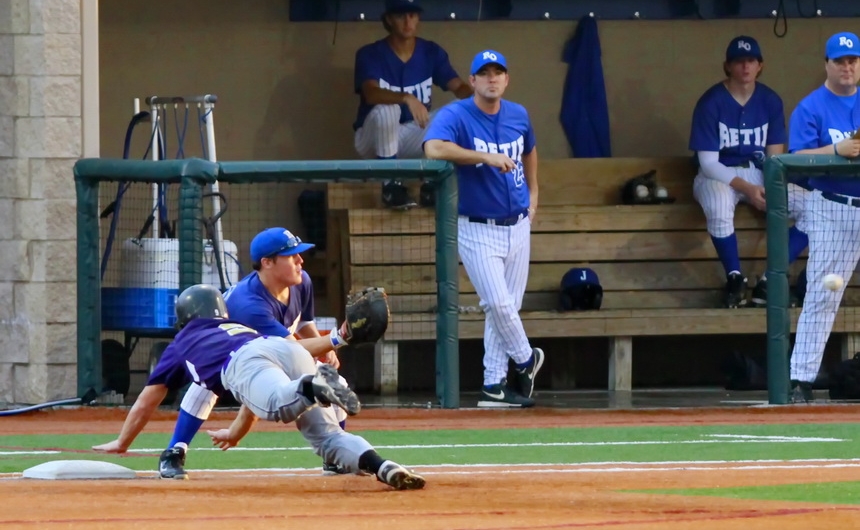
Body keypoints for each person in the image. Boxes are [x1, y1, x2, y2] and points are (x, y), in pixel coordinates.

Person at [93, 284, 425, 490]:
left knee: (278, 406)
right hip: (285, 351)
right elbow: (251, 396)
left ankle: (312, 385)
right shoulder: (237, 325)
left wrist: (123, 441)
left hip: (248, 364)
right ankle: (384, 467)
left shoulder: (182, 342)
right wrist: (236, 432)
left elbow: (148, 399)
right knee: (327, 439)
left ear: (185, 319)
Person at [423, 49, 544, 408]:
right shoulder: (457, 114)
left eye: (498, 73)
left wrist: (535, 194)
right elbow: (433, 148)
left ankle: (494, 385)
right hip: (476, 225)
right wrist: (484, 156)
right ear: (472, 81)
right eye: (484, 73)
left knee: (505, 308)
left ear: (506, 79)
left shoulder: (518, 114)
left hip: (518, 223)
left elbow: (530, 150)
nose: (492, 79)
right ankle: (527, 359)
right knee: (498, 302)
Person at [689, 35, 809, 309]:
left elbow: (774, 157)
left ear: (760, 66)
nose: (745, 67)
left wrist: (771, 187)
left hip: (757, 173)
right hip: (718, 175)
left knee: (815, 206)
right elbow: (708, 163)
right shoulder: (710, 102)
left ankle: (769, 282)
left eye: (750, 61)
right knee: (719, 203)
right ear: (727, 66)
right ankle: (735, 279)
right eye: (738, 61)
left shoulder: (770, 100)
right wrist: (748, 190)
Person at [223, 226, 350, 475]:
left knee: (338, 386)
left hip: (270, 359)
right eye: (292, 256)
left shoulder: (302, 281)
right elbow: (293, 351)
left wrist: (324, 349)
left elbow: (302, 325)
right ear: (267, 262)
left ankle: (336, 456)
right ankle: (175, 450)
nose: (300, 260)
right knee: (199, 396)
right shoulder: (249, 304)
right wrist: (338, 339)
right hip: (226, 367)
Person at [787, 32, 860, 403]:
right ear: (826, 64)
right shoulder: (811, 106)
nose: (846, 67)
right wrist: (836, 150)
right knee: (821, 296)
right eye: (839, 61)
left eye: (853, 60)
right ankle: (800, 380)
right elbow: (795, 161)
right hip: (832, 206)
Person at [353, 0, 472, 209]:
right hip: (371, 138)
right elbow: (370, 93)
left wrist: (479, 96)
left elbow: (458, 86)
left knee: (460, 110)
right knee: (388, 110)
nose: (408, 21)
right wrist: (406, 97)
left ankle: (430, 185)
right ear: (389, 19)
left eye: (412, 15)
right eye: (400, 16)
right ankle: (390, 186)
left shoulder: (430, 52)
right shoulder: (371, 53)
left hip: (409, 137)